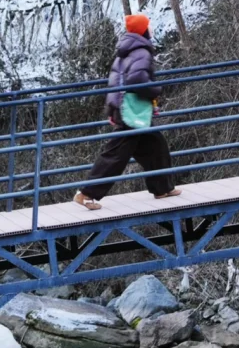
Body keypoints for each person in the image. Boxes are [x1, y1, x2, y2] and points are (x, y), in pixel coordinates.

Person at [74, 13, 182, 211]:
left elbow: (115, 82)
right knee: (115, 155)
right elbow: (136, 80)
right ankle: (86, 194)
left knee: (156, 147)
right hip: (132, 112)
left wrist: (111, 108)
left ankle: (162, 188)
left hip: (124, 108)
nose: (152, 29)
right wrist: (156, 90)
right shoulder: (141, 51)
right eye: (149, 26)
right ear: (143, 30)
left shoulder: (125, 51)